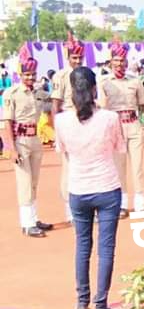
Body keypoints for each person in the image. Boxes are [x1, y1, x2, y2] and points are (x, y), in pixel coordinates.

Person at [55, 67, 123, 309]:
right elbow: (119, 147)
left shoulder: (61, 120)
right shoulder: (109, 118)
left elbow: (63, 151)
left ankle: (82, 302)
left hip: (78, 189)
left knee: (82, 246)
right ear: (95, 89)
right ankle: (101, 305)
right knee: (106, 249)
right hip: (107, 187)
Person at [3, 46, 53, 237]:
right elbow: (7, 122)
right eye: (27, 75)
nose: (31, 78)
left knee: (33, 182)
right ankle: (27, 223)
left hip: (35, 139)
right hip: (20, 140)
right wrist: (11, 148)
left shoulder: (38, 93)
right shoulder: (12, 93)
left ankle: (33, 218)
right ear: (20, 75)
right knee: (24, 181)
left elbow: (52, 105)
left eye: (33, 74)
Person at [97, 40, 144, 217]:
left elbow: (143, 105)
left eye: (122, 61)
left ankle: (140, 201)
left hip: (133, 125)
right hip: (115, 127)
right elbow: (101, 107)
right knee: (119, 167)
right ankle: (122, 204)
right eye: (116, 60)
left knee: (138, 166)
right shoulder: (104, 82)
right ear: (111, 62)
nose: (119, 64)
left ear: (126, 62)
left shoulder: (135, 81)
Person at [51, 32, 85, 222]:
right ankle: (70, 210)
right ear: (68, 57)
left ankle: (85, 208)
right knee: (69, 168)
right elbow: (55, 106)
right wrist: (57, 133)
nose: (78, 61)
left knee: (85, 166)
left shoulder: (86, 73)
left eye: (80, 57)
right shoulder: (61, 76)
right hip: (68, 122)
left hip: (86, 122)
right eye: (74, 57)